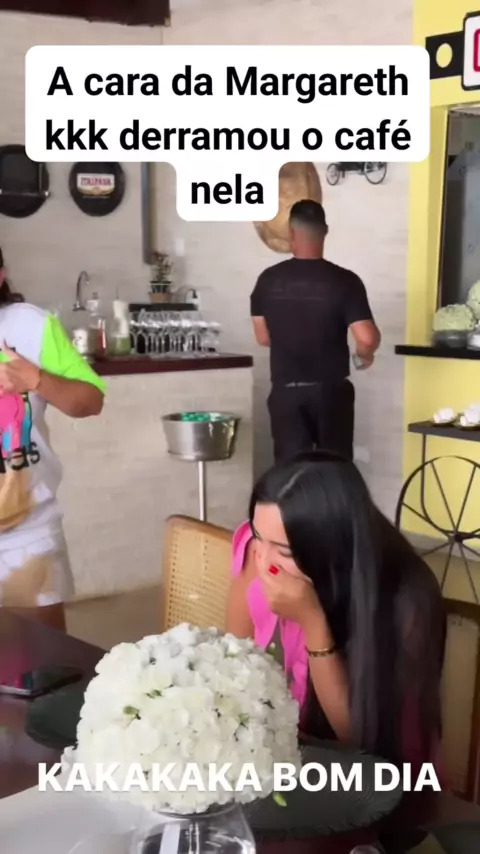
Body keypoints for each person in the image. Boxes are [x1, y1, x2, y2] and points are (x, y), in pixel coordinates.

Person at [226, 451, 446, 771]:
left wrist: (313, 621)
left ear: (331, 548)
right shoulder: (256, 545)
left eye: (284, 551)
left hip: (369, 776)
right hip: (281, 754)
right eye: (259, 537)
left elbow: (364, 745)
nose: (263, 560)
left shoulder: (405, 600)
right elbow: (235, 660)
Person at [0, 247, 105, 631]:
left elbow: (90, 402)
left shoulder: (28, 326)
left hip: (24, 532)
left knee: (40, 657)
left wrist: (36, 379)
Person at [250, 199, 381, 461]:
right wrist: (364, 355)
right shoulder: (345, 281)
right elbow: (366, 338)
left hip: (286, 392)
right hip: (330, 393)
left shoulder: (268, 279)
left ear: (291, 233)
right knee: (333, 469)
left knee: (291, 471)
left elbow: (263, 337)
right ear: (325, 232)